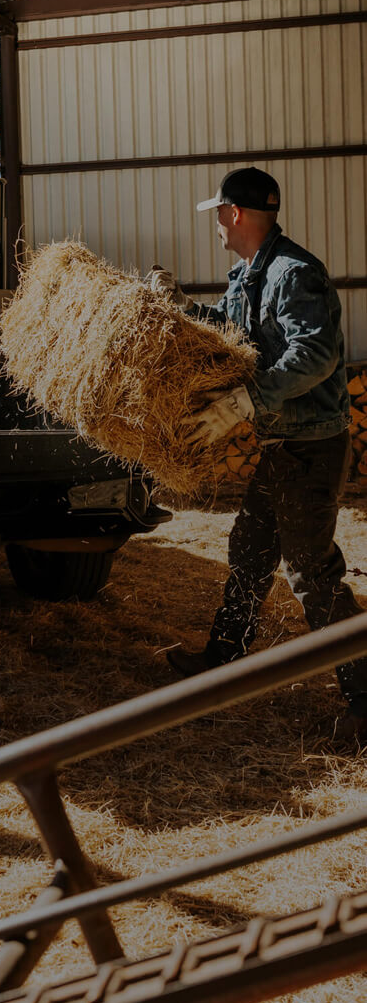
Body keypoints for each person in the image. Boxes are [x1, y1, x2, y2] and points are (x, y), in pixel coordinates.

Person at [149, 166, 367, 744]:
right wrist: (179, 312)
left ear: (237, 213)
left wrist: (249, 399)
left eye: (218, 212)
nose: (215, 223)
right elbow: (232, 338)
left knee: (310, 573)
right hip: (282, 443)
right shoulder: (247, 275)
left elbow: (316, 353)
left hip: (311, 445)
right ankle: (223, 663)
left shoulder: (296, 274)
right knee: (248, 549)